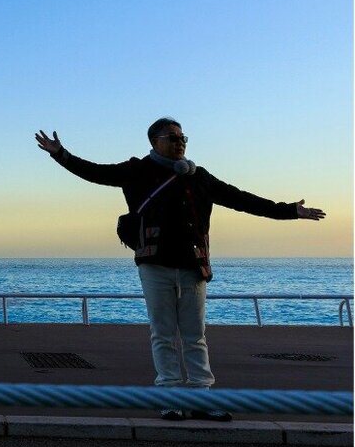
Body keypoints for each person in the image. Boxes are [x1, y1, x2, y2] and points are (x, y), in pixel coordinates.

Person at [35, 118, 325, 422]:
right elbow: (95, 172)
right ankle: (170, 396)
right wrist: (60, 154)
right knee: (162, 333)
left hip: (192, 265)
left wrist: (291, 211)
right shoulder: (137, 170)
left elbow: (242, 200)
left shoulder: (199, 177)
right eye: (172, 137)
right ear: (154, 141)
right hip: (154, 263)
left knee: (194, 334)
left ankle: (201, 396)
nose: (180, 142)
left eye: (183, 137)